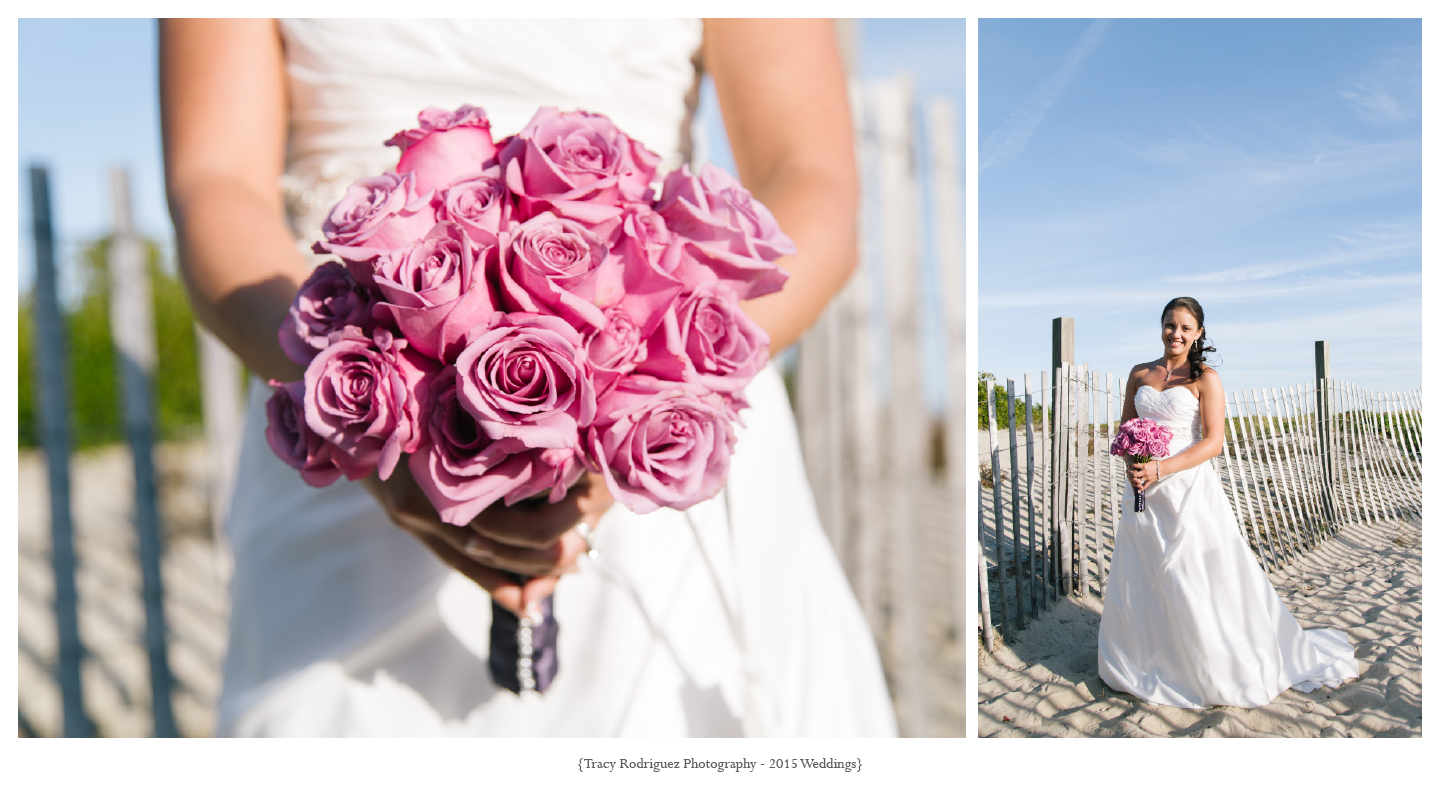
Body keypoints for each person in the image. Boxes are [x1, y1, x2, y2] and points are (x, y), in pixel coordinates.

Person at [161, 18, 896, 736]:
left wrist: (644, 397)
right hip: (340, 408)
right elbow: (215, 185)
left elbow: (813, 182)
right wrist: (372, 412)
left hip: (661, 427)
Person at [1097, 297, 1359, 709]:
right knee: (1144, 570)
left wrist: (1161, 469)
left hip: (1185, 489)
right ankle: (1146, 658)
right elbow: (1127, 429)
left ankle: (1199, 664)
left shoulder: (1206, 378)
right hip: (1143, 489)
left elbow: (1213, 442)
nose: (1176, 334)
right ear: (1161, 327)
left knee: (1188, 573)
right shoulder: (1139, 373)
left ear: (1198, 333)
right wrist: (1136, 465)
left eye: (1185, 327)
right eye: (1170, 325)